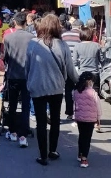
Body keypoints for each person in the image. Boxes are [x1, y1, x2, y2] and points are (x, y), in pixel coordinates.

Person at [25, 14, 79, 166]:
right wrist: (79, 82)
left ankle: (43, 155)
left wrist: (28, 83)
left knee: (41, 122)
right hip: (56, 87)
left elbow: (27, 66)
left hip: (37, 86)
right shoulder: (62, 45)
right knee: (55, 120)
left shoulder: (33, 44)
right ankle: (53, 150)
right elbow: (70, 69)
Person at [3, 12, 34, 148]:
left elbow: (6, 57)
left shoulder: (8, 37)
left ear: (15, 22)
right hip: (27, 75)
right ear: (25, 23)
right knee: (26, 105)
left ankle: (12, 131)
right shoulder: (32, 38)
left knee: (13, 104)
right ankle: (23, 134)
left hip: (13, 74)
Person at [73, 72, 102, 168]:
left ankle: (80, 154)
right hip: (90, 119)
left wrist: (74, 116)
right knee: (87, 138)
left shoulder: (76, 91)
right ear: (89, 81)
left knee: (81, 136)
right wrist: (98, 119)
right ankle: (84, 159)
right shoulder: (93, 92)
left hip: (80, 118)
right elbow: (98, 107)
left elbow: (74, 105)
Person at [61, 19, 83, 121]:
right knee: (80, 90)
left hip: (66, 66)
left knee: (68, 89)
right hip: (79, 66)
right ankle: (79, 112)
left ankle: (69, 112)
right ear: (80, 27)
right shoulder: (81, 36)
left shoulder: (64, 35)